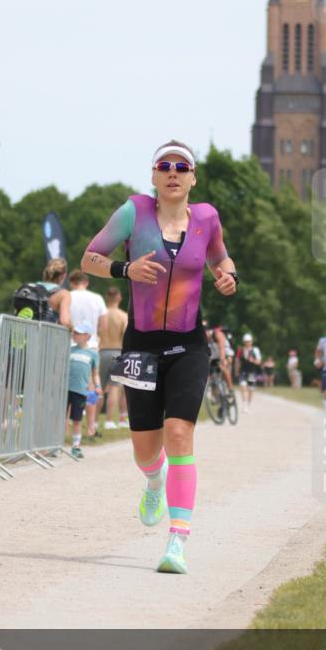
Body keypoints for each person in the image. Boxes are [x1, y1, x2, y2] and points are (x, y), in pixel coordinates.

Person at [81, 140, 237, 574]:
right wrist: (124, 269)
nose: (173, 172)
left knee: (180, 433)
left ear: (192, 178)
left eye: (181, 166)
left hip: (188, 343)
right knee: (145, 450)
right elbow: (90, 257)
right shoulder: (134, 212)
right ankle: (154, 479)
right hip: (142, 345)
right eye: (164, 166)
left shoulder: (206, 218)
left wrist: (229, 276)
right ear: (153, 176)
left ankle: (177, 543)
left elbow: (221, 258)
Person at [69, 270, 107, 437]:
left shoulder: (67, 296)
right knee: (90, 388)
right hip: (90, 346)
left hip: (69, 346)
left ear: (71, 282)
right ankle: (91, 427)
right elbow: (103, 324)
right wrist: (98, 341)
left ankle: (65, 428)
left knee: (68, 387)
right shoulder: (97, 298)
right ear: (86, 282)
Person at [67, 321, 102, 459]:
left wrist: (98, 386)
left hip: (80, 391)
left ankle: (76, 446)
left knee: (77, 419)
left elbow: (95, 373)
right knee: (61, 419)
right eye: (74, 332)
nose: (74, 335)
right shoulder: (69, 350)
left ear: (87, 335)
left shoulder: (92, 354)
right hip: (65, 389)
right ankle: (55, 445)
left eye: (78, 333)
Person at [100, 286, 129, 430]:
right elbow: (126, 337)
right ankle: (109, 421)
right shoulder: (123, 316)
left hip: (101, 351)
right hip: (117, 352)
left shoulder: (101, 314)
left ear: (107, 297)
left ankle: (93, 421)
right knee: (114, 388)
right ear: (119, 298)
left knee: (98, 387)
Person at [40, 257, 72, 328]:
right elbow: (65, 321)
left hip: (25, 334)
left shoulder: (32, 288)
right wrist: (72, 328)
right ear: (63, 276)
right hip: (45, 336)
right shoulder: (63, 294)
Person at [234, 334, 262, 413]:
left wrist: (253, 360)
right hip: (243, 372)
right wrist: (236, 370)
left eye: (248, 341)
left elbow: (259, 362)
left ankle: (248, 404)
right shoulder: (240, 350)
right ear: (244, 342)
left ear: (251, 342)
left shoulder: (255, 350)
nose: (247, 343)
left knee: (251, 389)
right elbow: (237, 361)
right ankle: (244, 405)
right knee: (243, 387)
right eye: (246, 341)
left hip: (252, 373)